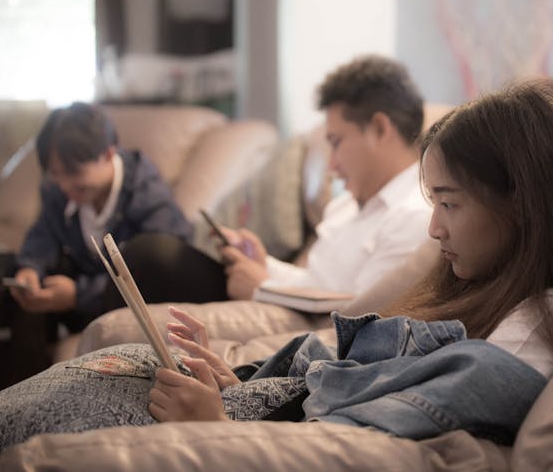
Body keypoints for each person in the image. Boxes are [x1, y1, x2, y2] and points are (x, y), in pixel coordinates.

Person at [0, 77, 553, 450]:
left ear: (519, 203)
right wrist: (248, 384)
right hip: (264, 388)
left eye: (448, 203)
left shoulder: (527, 330)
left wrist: (226, 426)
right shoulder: (453, 280)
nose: (435, 225)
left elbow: (360, 422)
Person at [90, 54, 433, 345]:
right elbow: (313, 283)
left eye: (337, 141)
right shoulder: (346, 206)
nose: (332, 164)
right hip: (285, 303)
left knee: (152, 257)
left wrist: (262, 288)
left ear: (379, 128)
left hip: (303, 327)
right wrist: (263, 263)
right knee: (148, 257)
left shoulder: (414, 216)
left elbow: (363, 313)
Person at [0, 102, 192, 387]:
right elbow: (43, 234)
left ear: (108, 153)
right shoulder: (58, 188)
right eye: (55, 173)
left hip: (126, 298)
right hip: (76, 292)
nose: (64, 185)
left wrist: (79, 295)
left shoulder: (147, 194)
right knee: (10, 272)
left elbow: (156, 273)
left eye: (74, 173)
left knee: (147, 254)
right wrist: (30, 268)